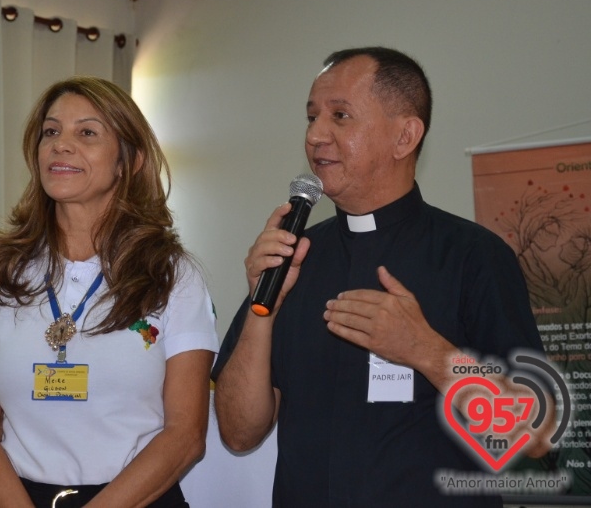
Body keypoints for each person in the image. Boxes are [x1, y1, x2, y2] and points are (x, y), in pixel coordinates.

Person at [212, 47, 549, 507]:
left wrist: (427, 352)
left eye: (341, 116)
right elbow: (238, 433)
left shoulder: (475, 256)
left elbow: (531, 435)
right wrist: (261, 308)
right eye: (311, 117)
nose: (315, 136)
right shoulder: (294, 257)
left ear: (404, 136)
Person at [0, 76, 218, 507]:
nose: (61, 145)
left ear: (127, 161)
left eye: (87, 133)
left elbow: (185, 433)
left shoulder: (172, 274)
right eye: (51, 132)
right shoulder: (0, 272)